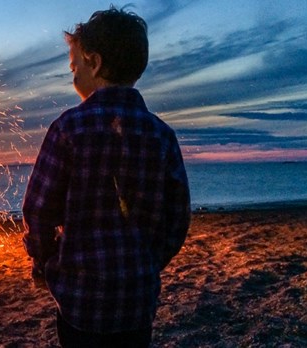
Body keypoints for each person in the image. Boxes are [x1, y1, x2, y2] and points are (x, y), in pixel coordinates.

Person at [22, 6, 191, 347]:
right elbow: (178, 218)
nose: (73, 76)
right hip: (137, 298)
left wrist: (46, 262)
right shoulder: (161, 135)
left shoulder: (68, 128)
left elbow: (38, 210)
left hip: (80, 301)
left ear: (94, 63)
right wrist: (148, 261)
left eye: (75, 67)